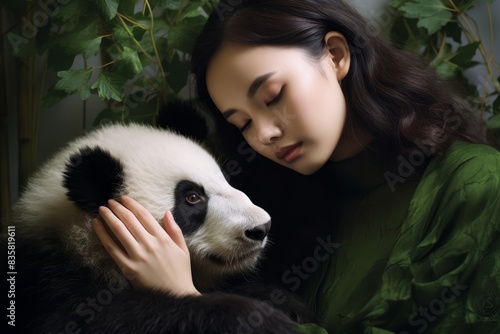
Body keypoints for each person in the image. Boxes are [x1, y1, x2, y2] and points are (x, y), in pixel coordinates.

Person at [92, 0, 500, 333]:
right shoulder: (277, 200)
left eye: (273, 96)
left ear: (335, 55)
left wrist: (189, 303)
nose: (263, 134)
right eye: (243, 123)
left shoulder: (478, 184)